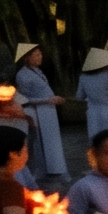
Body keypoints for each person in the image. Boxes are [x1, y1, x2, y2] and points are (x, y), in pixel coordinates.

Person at [12, 45, 66, 178]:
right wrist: (47, 100)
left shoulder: (37, 71)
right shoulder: (22, 75)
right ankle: (44, 168)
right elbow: (25, 98)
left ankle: (54, 167)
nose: (40, 57)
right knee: (41, 141)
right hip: (39, 110)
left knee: (52, 140)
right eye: (36, 55)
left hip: (48, 110)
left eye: (40, 54)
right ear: (26, 58)